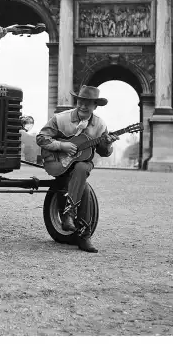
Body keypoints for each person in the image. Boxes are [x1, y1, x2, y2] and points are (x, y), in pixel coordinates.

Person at [36, 86, 119, 253]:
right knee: (85, 190)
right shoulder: (60, 119)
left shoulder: (100, 125)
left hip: (83, 163)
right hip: (59, 163)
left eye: (88, 103)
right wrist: (62, 145)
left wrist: (107, 143)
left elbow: (104, 152)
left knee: (81, 167)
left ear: (95, 106)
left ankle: (69, 214)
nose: (83, 106)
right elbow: (41, 138)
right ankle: (84, 236)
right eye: (81, 101)